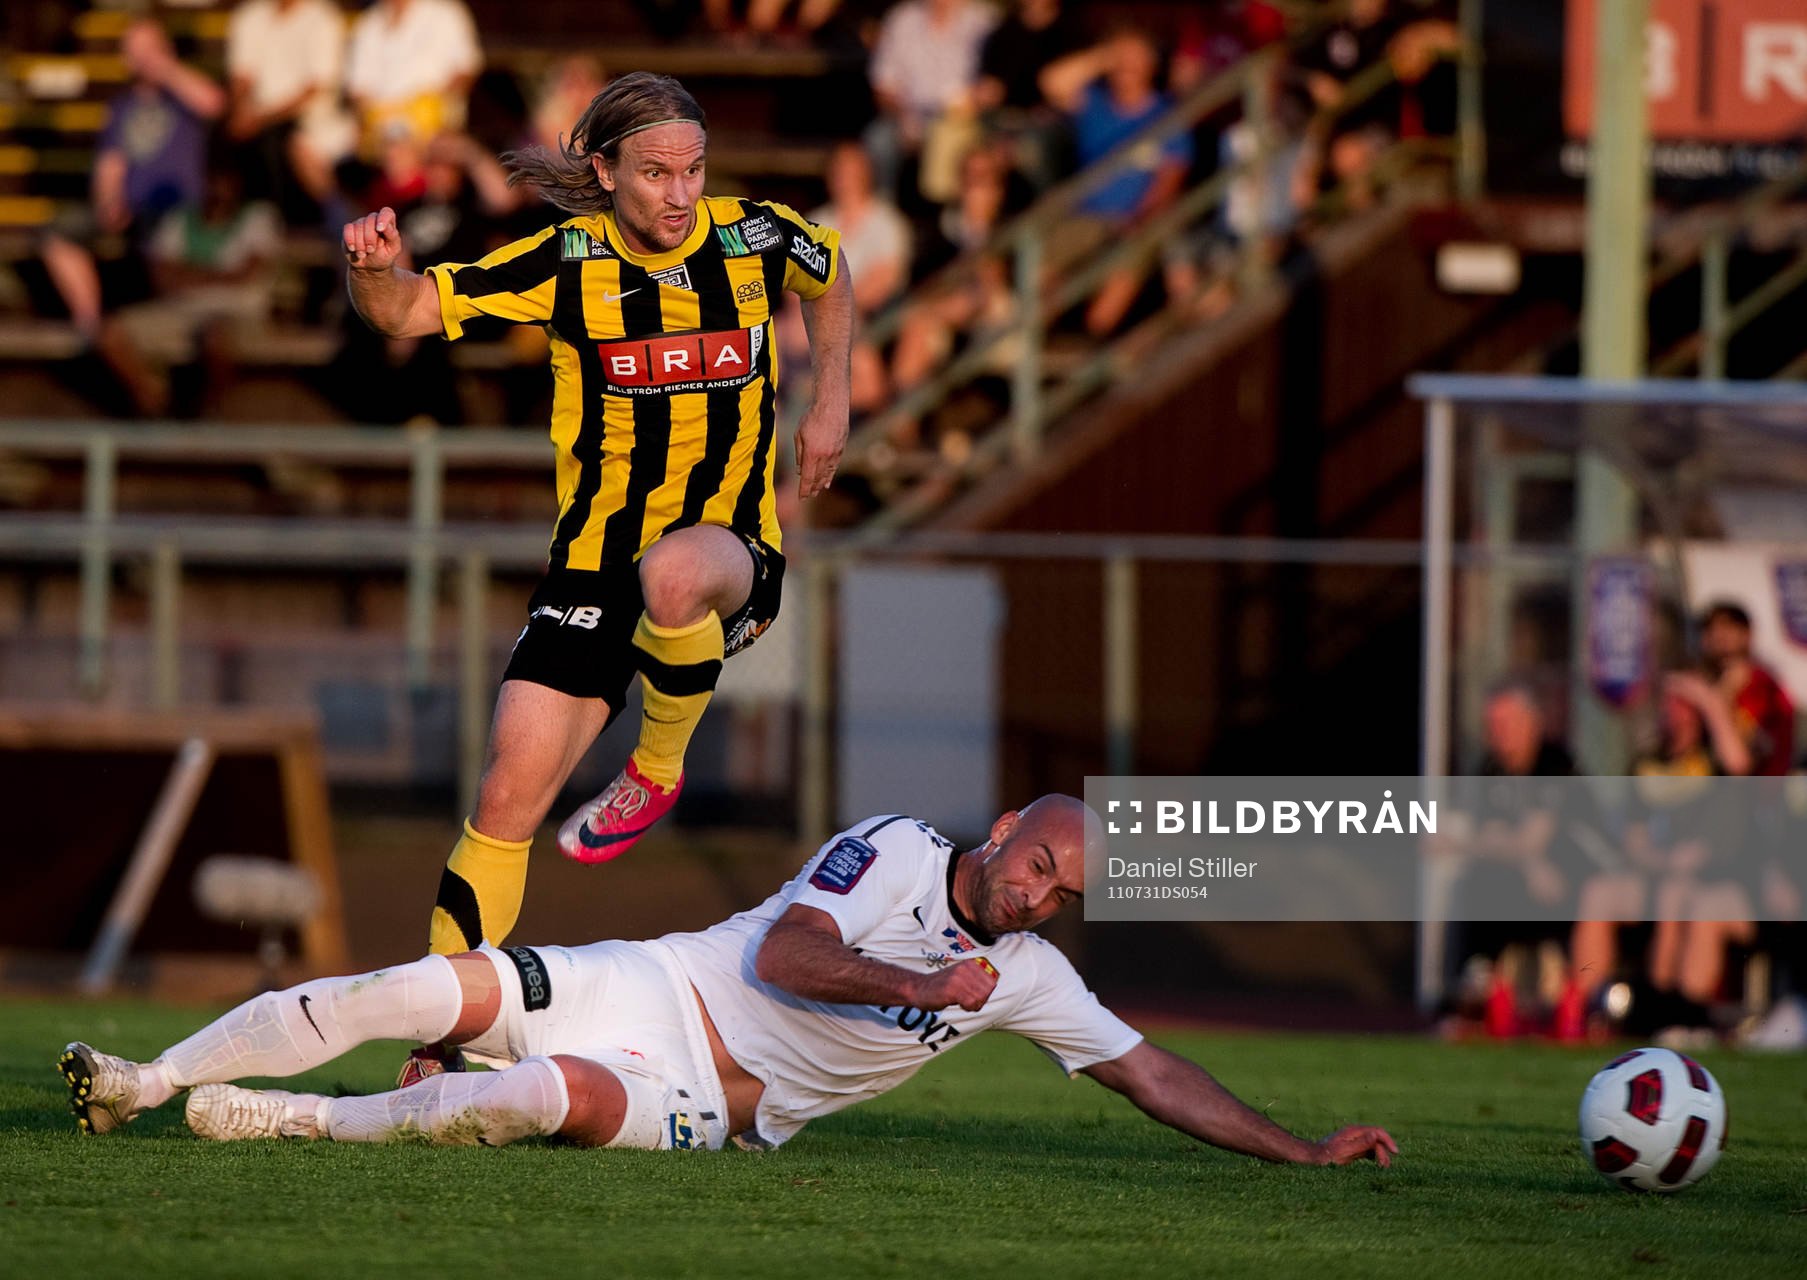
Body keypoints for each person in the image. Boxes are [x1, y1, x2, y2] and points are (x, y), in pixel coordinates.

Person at [337, 72, 853, 1081]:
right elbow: (405, 312)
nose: (681, 193)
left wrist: (830, 399)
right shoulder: (564, 261)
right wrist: (373, 270)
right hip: (590, 565)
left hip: (727, 553)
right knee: (504, 796)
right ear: (606, 171)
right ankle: (445, 1038)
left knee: (674, 572)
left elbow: (830, 278)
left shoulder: (756, 235)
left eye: (693, 170)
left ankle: (656, 765)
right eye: (657, 173)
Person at [59, 795, 1397, 1170]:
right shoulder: (895, 849)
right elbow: (781, 956)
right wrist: (921, 981)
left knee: (537, 1099)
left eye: (1063, 892)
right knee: (408, 989)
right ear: (1002, 835)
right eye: (1038, 862)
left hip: (711, 1100)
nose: (1039, 894)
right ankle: (149, 1079)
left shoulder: (1027, 974)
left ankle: (292, 1119)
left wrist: (1299, 1148)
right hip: (647, 977)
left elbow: (1150, 1071)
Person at [37, 18, 224, 413]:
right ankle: (91, 326)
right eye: (134, 51)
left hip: (177, 210)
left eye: (148, 48)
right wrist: (109, 203)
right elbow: (110, 166)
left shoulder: (183, 96)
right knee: (58, 232)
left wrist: (166, 69)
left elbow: (214, 104)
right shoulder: (121, 107)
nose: (141, 58)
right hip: (132, 209)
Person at [1038, 24, 1197, 336]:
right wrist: (1103, 57)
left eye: (1136, 58)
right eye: (1121, 57)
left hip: (1134, 220)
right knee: (1041, 264)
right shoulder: (1094, 102)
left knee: (1126, 262)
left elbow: (1170, 179)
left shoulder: (1165, 115)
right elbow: (1052, 82)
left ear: (1152, 64)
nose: (1127, 66)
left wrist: (1138, 220)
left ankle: (1094, 341)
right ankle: (1032, 346)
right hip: (1085, 217)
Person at [223, 0, 347, 218]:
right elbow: (242, 76)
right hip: (257, 114)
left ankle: (293, 221)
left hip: (308, 117)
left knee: (280, 140)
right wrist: (239, 110)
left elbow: (315, 88)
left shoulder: (323, 18)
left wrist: (262, 119)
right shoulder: (250, 16)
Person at [1699, 601, 1796, 777]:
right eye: (1710, 628)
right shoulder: (1708, 682)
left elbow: (1741, 760)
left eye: (1728, 626)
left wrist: (1715, 701)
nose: (1717, 635)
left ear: (1747, 633)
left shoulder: (1762, 686)